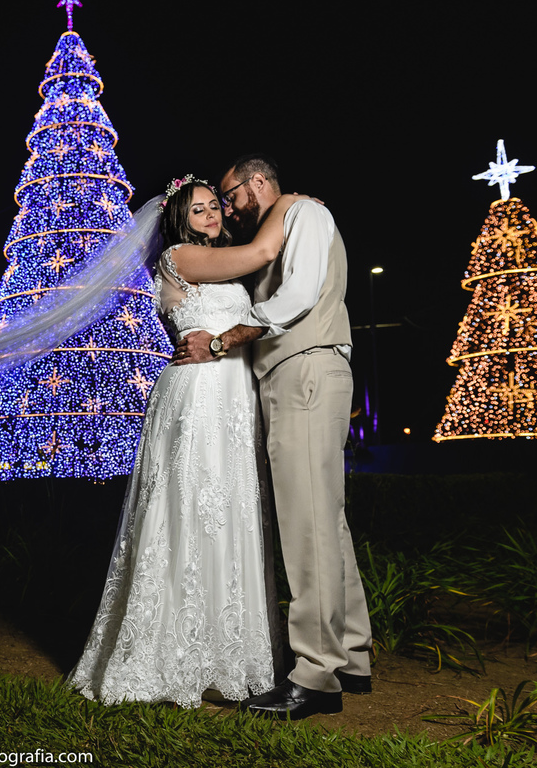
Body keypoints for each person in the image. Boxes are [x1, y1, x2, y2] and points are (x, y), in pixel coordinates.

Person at [69, 176, 304, 708]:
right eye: (199, 210)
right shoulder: (181, 257)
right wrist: (286, 201)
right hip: (198, 394)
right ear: (179, 220)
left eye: (215, 207)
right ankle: (167, 656)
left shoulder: (209, 257)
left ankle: (231, 654)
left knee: (231, 511)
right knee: (189, 510)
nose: (212, 216)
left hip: (232, 395)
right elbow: (266, 248)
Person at [176, 154, 373, 720]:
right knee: (325, 521)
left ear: (255, 182)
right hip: (295, 375)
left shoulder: (303, 213)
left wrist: (223, 340)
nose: (230, 210)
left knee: (307, 525)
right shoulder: (274, 228)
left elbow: (299, 295)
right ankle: (352, 656)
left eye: (232, 197)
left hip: (307, 370)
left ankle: (314, 677)